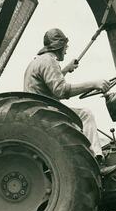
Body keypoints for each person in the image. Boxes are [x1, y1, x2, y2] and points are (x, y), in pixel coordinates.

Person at [23, 28, 111, 161]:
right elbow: (61, 91)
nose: (67, 49)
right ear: (58, 46)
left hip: (37, 110)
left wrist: (65, 70)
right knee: (85, 115)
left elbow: (49, 87)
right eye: (65, 45)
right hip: (46, 113)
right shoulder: (49, 61)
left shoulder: (38, 61)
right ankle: (95, 158)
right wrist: (94, 84)